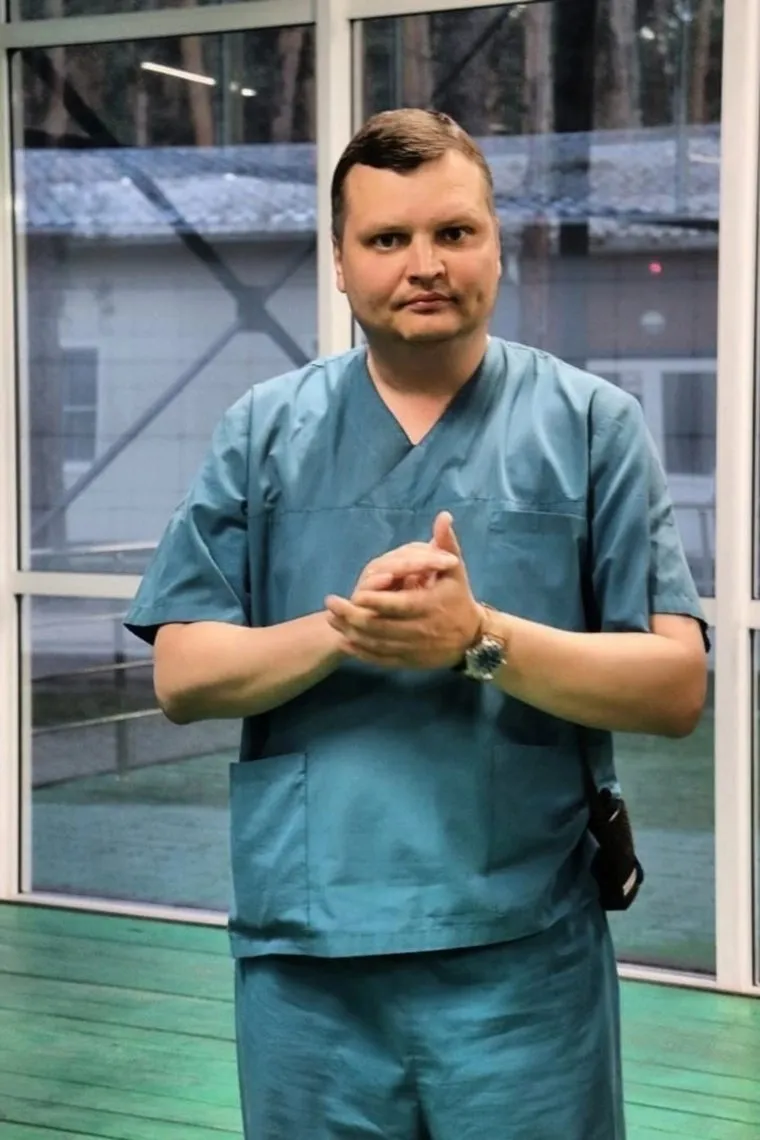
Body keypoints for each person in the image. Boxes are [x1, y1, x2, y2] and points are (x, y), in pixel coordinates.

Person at [124, 108, 708, 1140]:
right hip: (310, 956)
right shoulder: (265, 431)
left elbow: (673, 686)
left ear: (498, 246)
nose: (424, 264)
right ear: (340, 263)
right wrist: (352, 630)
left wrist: (478, 640)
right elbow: (184, 674)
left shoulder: (589, 425)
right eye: (387, 238)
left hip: (523, 955)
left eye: (454, 232)